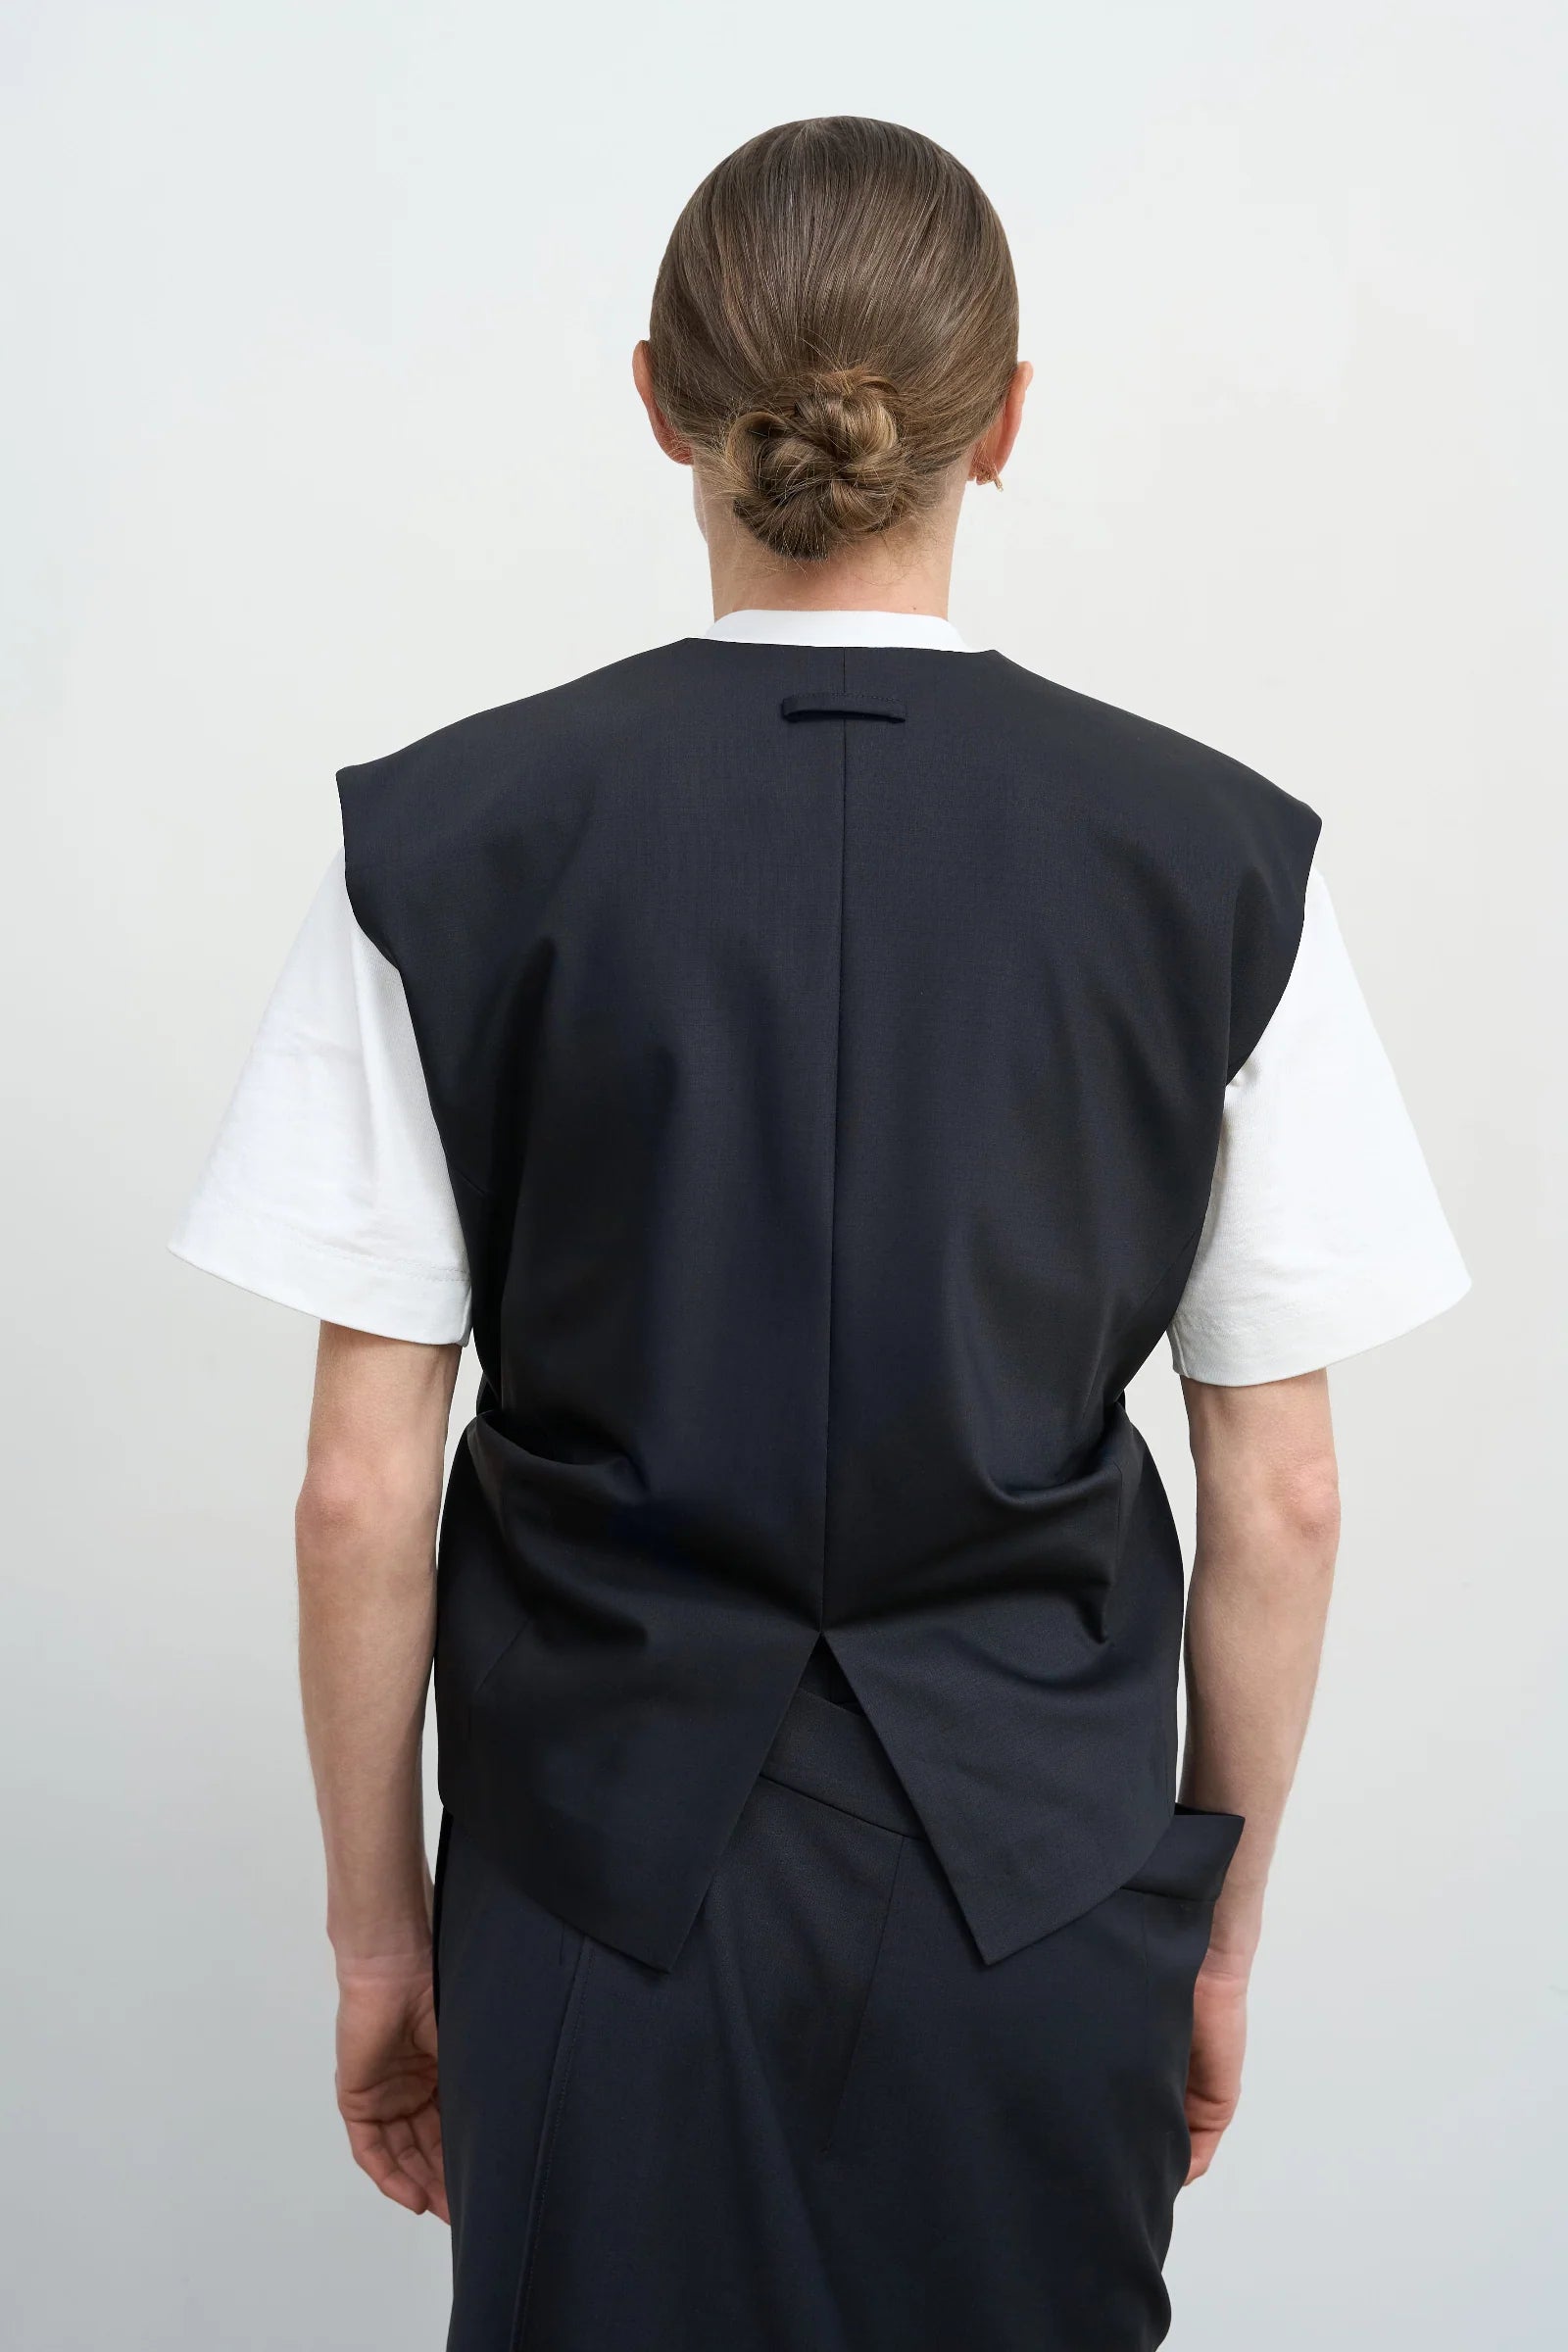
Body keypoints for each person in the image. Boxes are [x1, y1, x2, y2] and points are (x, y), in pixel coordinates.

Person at [170, 116, 1469, 2352]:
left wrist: (384, 1943)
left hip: (591, 1889)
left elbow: (357, 1489)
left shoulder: (448, 842)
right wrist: (1216, 1938)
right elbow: (1286, 1494)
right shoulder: (1216, 863)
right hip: (1040, 1895)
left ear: (657, 399)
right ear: (1008, 419)